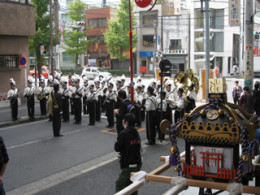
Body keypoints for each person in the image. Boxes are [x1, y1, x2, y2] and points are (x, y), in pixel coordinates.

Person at [114, 113, 142, 194]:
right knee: (132, 186)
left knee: (120, 185)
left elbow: (117, 148)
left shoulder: (123, 133)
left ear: (126, 122)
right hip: (138, 163)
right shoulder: (136, 132)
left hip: (128, 165)